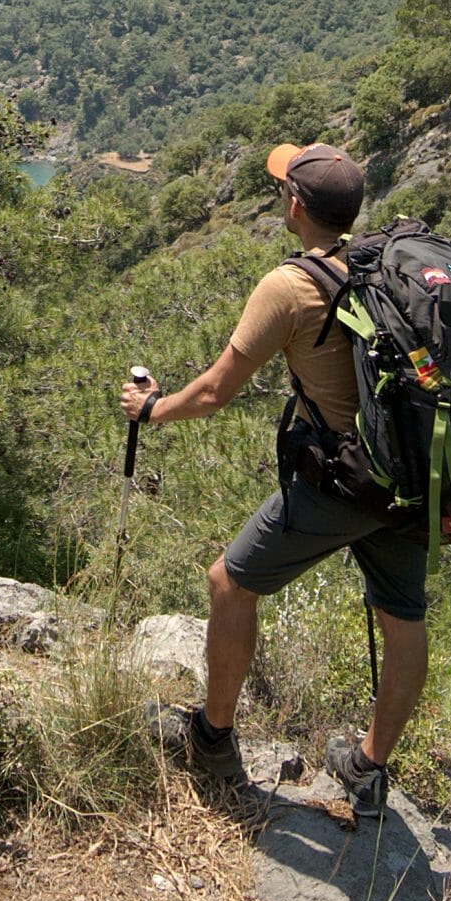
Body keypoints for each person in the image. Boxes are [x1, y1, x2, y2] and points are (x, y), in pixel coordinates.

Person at [118, 141, 423, 819]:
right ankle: (368, 767)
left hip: (345, 482)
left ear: (294, 205)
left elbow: (214, 392)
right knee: (403, 615)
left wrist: (152, 408)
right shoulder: (389, 264)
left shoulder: (290, 285)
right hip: (412, 476)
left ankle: (213, 740)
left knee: (229, 580)